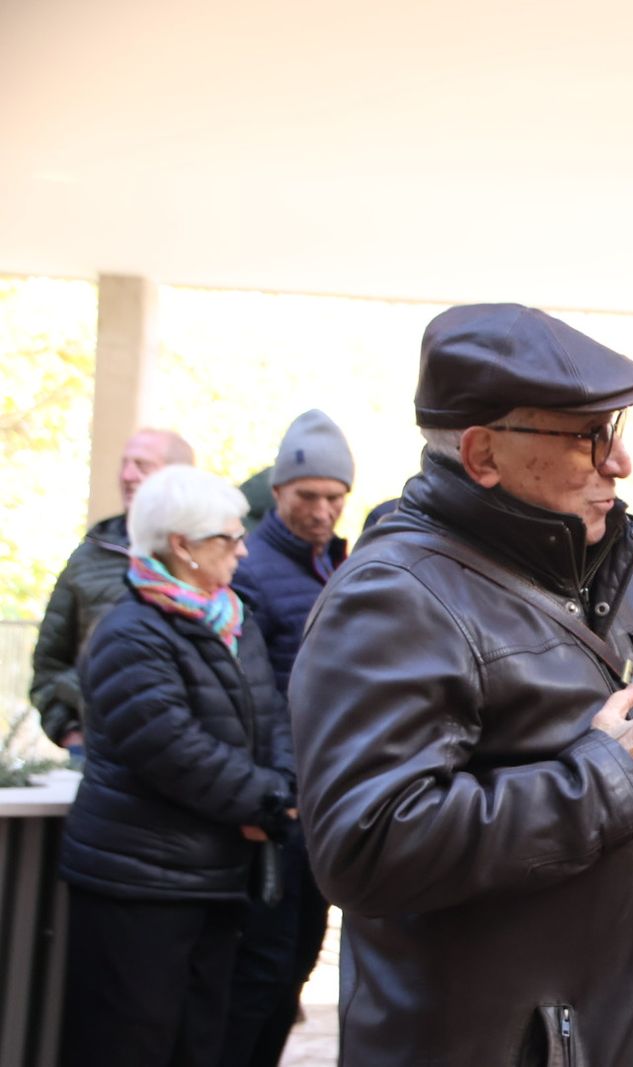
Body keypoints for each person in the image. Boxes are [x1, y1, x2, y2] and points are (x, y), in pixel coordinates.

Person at [288, 303, 633, 1066]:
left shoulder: (603, 568)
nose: (620, 462)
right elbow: (367, 846)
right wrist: (615, 777)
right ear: (482, 454)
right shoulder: (394, 595)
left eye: (616, 432)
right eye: (589, 436)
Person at [57, 465, 296, 1067]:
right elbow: (174, 751)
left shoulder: (232, 620)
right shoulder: (129, 633)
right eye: (228, 537)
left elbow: (273, 717)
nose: (243, 548)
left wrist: (285, 783)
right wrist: (270, 801)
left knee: (197, 1045)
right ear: (183, 546)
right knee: (129, 1044)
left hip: (213, 878)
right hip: (140, 886)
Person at [223, 409, 353, 1067]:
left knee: (300, 959)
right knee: (263, 968)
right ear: (278, 493)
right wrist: (276, 790)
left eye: (335, 497)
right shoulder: (250, 568)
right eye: (308, 496)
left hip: (323, 797)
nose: (322, 510)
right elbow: (252, 692)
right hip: (280, 801)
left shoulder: (338, 564)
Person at [31, 427, 193, 753]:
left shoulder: (210, 553)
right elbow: (49, 665)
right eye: (124, 464)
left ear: (179, 478)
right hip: (101, 756)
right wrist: (71, 734)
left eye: (142, 466)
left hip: (189, 753)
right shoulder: (89, 557)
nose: (127, 475)